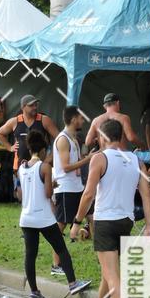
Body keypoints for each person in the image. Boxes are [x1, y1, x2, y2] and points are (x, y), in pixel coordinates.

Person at [69, 119, 150, 298]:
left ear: (103, 137)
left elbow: (88, 194)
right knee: (109, 275)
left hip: (105, 221)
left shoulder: (99, 158)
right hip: (126, 220)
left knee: (111, 273)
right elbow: (146, 194)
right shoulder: (136, 160)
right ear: (121, 136)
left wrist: (77, 222)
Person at [17, 130, 91, 298]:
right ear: (43, 150)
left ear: (30, 149)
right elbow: (48, 193)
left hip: (26, 217)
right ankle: (72, 283)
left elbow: (23, 192)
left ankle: (34, 291)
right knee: (61, 249)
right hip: (43, 217)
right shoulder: (45, 167)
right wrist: (52, 183)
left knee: (30, 254)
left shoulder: (22, 168)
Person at [52, 105, 93, 248]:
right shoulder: (63, 139)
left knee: (92, 216)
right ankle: (56, 262)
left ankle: (100, 254)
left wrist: (90, 156)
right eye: (81, 118)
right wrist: (87, 160)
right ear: (74, 119)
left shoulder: (73, 138)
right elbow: (66, 167)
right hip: (65, 188)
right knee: (61, 223)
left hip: (77, 186)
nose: (83, 121)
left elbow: (76, 161)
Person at [0, 95, 59, 172]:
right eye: (31, 105)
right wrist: (9, 147)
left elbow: (60, 139)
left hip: (39, 168)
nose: (35, 107)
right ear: (23, 107)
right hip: (19, 168)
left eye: (36, 105)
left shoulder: (44, 120)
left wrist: (49, 158)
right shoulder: (15, 121)